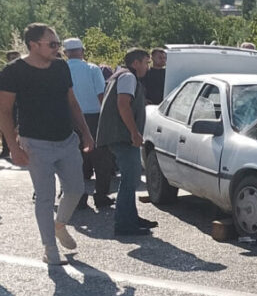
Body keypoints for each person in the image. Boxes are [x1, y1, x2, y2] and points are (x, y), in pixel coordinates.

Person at [0, 23, 97, 265]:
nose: (58, 48)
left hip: (66, 139)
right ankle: (50, 249)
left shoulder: (61, 67)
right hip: (36, 143)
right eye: (52, 44)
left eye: (58, 44)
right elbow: (4, 110)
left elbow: (73, 103)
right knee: (45, 197)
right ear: (34, 45)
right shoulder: (13, 71)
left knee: (76, 189)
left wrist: (85, 132)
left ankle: (59, 224)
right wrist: (13, 146)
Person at [97, 48, 158, 237]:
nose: (147, 67)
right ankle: (124, 223)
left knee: (130, 179)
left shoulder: (120, 75)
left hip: (119, 135)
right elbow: (123, 104)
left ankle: (130, 217)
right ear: (136, 63)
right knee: (130, 179)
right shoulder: (128, 77)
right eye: (146, 62)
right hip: (122, 136)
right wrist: (134, 132)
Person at [63, 37, 113, 210]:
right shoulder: (92, 68)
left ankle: (78, 197)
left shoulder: (60, 70)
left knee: (74, 159)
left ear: (65, 53)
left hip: (68, 118)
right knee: (102, 159)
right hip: (93, 117)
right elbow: (102, 95)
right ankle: (101, 196)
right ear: (82, 51)